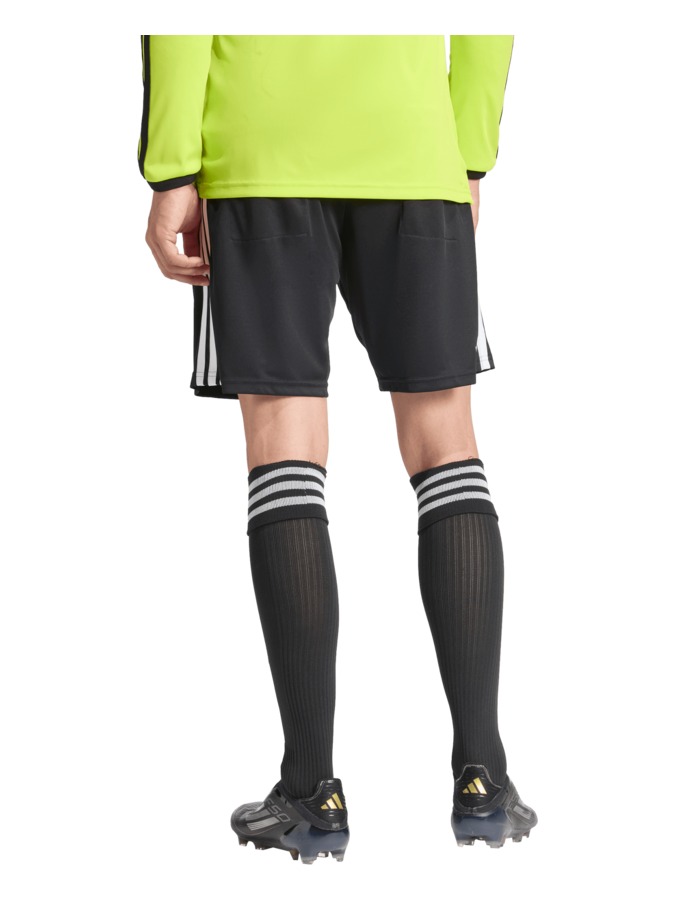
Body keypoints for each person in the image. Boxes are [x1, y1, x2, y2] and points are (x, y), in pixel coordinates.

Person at [138, 34, 537, 864]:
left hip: (260, 149)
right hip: (412, 147)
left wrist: (171, 169)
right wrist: (464, 153)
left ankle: (311, 791)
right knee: (445, 443)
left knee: (283, 446)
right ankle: (483, 779)